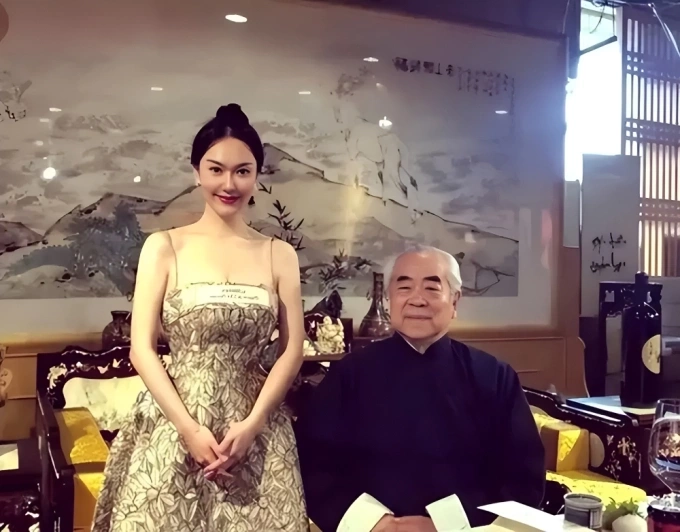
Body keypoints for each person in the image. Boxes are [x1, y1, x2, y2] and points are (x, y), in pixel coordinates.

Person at [93, 104, 308, 531]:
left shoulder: (278, 253)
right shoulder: (164, 246)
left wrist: (254, 424)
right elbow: (141, 350)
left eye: (242, 171)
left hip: (254, 429)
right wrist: (188, 430)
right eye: (216, 169)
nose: (229, 184)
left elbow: (292, 350)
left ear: (257, 176)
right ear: (196, 172)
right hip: (173, 423)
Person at [295, 245, 545, 532]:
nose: (417, 300)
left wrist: (444, 524)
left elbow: (524, 477)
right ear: (388, 299)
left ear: (455, 301)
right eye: (404, 287)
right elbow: (313, 464)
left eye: (431, 288)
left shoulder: (494, 376)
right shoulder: (349, 374)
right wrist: (376, 523)